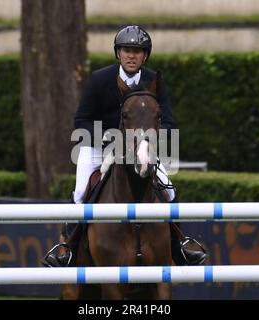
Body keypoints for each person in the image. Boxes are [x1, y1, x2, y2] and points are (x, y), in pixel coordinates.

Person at [43, 25, 207, 268]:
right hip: (100, 147)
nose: (132, 55)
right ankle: (68, 248)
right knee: (80, 192)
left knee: (169, 189)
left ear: (145, 55)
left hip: (141, 149)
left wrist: (148, 141)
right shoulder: (100, 79)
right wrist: (109, 140)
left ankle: (179, 245)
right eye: (127, 50)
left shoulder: (153, 80)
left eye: (138, 51)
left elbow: (170, 122)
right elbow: (82, 120)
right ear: (118, 53)